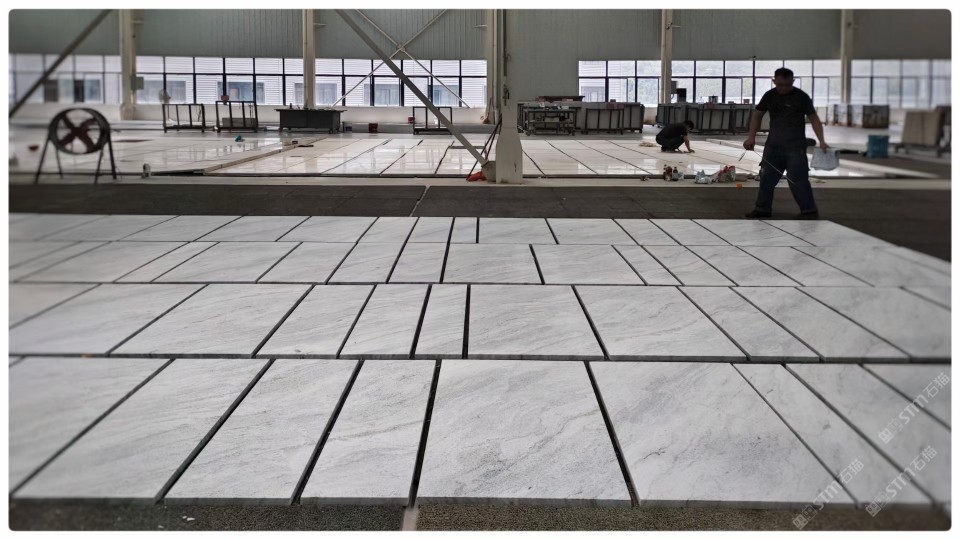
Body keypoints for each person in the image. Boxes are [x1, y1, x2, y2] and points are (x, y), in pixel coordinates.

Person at [743, 67, 828, 220]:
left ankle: (809, 211)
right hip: (773, 146)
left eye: (787, 85)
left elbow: (814, 119)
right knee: (766, 178)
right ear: (774, 81)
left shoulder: (801, 97)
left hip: (795, 147)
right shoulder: (769, 96)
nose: (783, 88)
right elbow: (757, 115)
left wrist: (822, 140)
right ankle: (762, 209)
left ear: (793, 81)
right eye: (780, 85)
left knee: (798, 179)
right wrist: (751, 137)